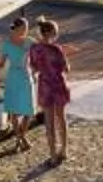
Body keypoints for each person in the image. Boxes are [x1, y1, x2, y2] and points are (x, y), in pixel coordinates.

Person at [26, 17, 72, 163]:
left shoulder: (34, 49)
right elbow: (66, 68)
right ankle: (63, 149)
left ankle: (52, 155)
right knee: (61, 118)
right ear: (51, 33)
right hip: (58, 85)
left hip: (45, 85)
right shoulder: (56, 49)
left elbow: (33, 68)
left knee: (49, 122)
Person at [0, 17, 37, 151]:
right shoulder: (6, 44)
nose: (26, 30)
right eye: (24, 27)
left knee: (28, 111)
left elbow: (39, 55)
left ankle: (20, 138)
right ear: (17, 28)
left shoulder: (30, 41)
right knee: (13, 111)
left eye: (27, 27)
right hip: (13, 76)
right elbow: (1, 63)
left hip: (25, 75)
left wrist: (36, 71)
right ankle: (21, 138)